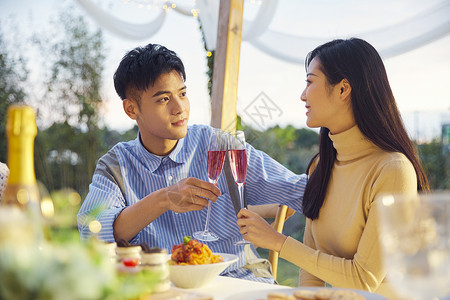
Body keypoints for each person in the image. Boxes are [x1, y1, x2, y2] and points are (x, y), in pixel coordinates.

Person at [77, 43, 306, 283]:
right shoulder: (116, 165)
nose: (180, 108)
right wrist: (164, 198)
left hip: (239, 278)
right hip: (160, 287)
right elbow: (91, 232)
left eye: (183, 94)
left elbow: (294, 189)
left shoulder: (217, 144)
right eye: (164, 99)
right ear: (131, 109)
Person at [236, 37, 429, 297]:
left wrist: (279, 242)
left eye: (310, 81)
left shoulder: (393, 170)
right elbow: (311, 273)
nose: (302, 95)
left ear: (343, 89)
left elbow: (364, 280)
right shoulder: (322, 166)